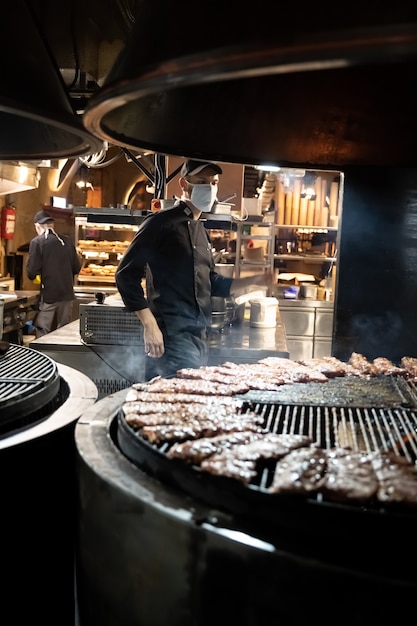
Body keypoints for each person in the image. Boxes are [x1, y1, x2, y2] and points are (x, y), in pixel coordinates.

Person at [116, 159, 273, 380]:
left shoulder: (201, 230)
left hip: (199, 335)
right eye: (201, 181)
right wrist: (149, 325)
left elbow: (211, 283)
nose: (209, 188)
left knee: (188, 400)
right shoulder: (159, 223)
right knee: (174, 401)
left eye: (213, 182)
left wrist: (253, 280)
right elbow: (125, 275)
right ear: (183, 184)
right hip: (171, 335)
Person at [26, 209, 81, 337]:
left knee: (42, 328)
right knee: (64, 329)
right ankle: (62, 356)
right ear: (52, 225)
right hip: (67, 293)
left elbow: (32, 271)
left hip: (49, 294)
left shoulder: (38, 242)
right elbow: (77, 267)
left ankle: (42, 356)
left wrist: (35, 276)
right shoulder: (67, 241)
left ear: (38, 226)